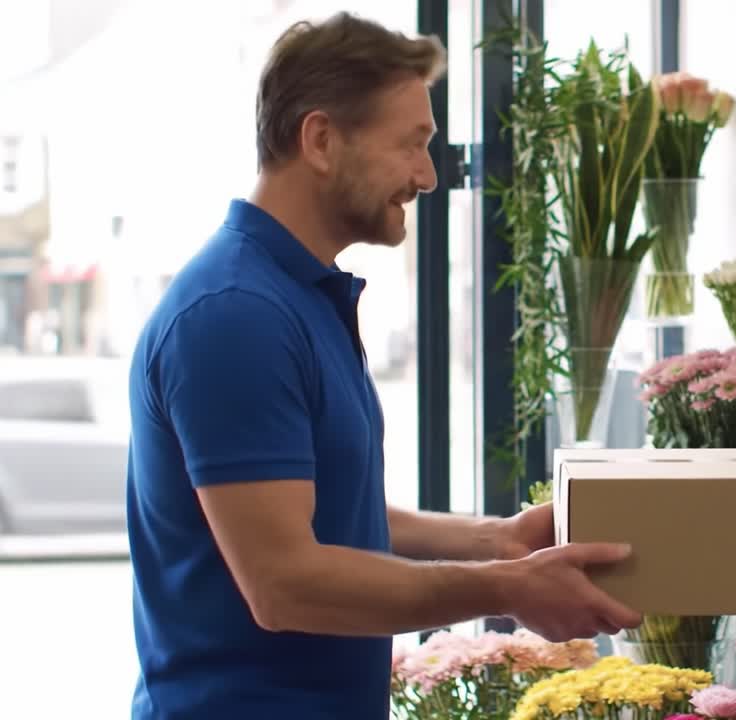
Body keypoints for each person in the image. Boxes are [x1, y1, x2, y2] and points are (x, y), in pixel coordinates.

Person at [126, 13, 640, 720]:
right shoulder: (234, 315)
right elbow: (285, 583)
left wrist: (496, 539)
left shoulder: (297, 296)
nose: (427, 177)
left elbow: (330, 513)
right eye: (412, 145)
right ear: (321, 140)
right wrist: (506, 587)